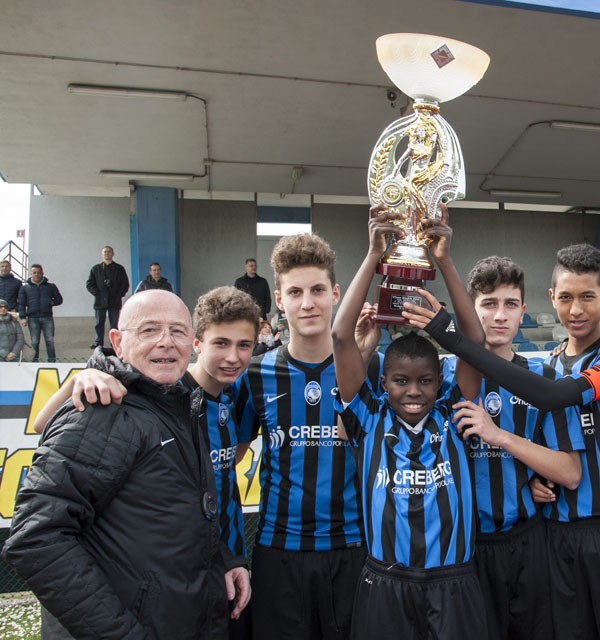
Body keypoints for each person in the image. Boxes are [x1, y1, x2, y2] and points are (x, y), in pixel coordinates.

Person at [418, 243, 600, 640]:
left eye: (587, 297)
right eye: (566, 298)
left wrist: (455, 338)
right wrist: (533, 478)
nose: (576, 309)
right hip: (557, 533)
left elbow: (555, 398)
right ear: (552, 298)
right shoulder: (552, 362)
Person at [31, 286, 269, 639]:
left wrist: (229, 556)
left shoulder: (234, 397)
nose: (232, 356)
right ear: (198, 343)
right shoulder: (161, 391)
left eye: (244, 345)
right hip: (155, 583)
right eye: (220, 343)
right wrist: (83, 375)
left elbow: (222, 472)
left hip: (215, 561)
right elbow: (44, 427)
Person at [331, 205, 490, 639]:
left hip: (453, 579)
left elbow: (475, 341)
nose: (414, 391)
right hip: (386, 580)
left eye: (425, 381)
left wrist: (444, 260)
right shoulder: (369, 415)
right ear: (383, 382)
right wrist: (372, 255)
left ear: (441, 382)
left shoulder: (454, 413)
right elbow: (341, 336)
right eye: (401, 381)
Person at [232, 233, 382, 640]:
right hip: (278, 551)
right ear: (279, 299)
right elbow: (227, 463)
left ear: (335, 293)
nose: (308, 303)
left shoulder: (374, 366)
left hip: (355, 548)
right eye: (295, 292)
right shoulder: (255, 374)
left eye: (317, 290)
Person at [439, 255, 584, 640]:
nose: (499, 315)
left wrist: (502, 437)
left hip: (527, 542)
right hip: (462, 547)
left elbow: (570, 473)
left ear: (523, 311)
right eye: (488, 304)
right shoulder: (440, 377)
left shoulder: (544, 379)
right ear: (472, 310)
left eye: (510, 304)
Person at [86, 245, 129, 349]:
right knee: (99, 323)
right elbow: (89, 284)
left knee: (114, 324)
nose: (107, 254)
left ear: (113, 254)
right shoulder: (96, 269)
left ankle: (114, 344)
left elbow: (125, 284)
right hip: (100, 301)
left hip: (114, 301)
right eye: (105, 252)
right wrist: (97, 293)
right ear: (102, 254)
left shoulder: (119, 269)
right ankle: (98, 342)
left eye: (109, 252)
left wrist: (119, 294)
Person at [17, 263, 63, 362]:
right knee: (34, 341)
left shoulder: (50, 286)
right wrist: (23, 317)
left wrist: (51, 302)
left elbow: (59, 299)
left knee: (50, 340)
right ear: (31, 274)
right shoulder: (25, 288)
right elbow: (21, 304)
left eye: (38, 272)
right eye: (34, 273)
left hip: (47, 317)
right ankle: (34, 361)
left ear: (42, 273)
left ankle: (52, 361)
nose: (36, 275)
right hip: (32, 318)